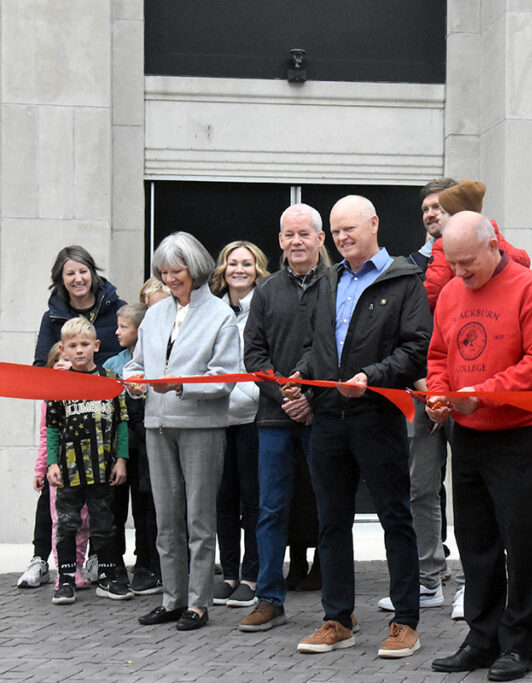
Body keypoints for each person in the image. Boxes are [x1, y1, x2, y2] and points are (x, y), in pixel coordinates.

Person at [287, 195, 430, 658]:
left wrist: (372, 378)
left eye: (352, 228)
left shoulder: (406, 280)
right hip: (328, 418)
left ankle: (405, 621)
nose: (344, 237)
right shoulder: (328, 280)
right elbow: (317, 346)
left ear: (374, 223)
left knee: (394, 516)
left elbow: (416, 349)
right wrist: (302, 376)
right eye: (337, 230)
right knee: (331, 521)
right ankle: (337, 617)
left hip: (377, 416)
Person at [427, 211, 532, 682]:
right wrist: (440, 393)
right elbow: (440, 353)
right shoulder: (449, 293)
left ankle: (519, 644)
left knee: (520, 541)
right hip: (466, 433)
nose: (460, 273)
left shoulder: (531, 289)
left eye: (467, 263)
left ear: (493, 246)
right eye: (453, 263)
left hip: (517, 431)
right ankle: (482, 638)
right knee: (475, 540)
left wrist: (484, 391)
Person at [125, 231, 240, 632]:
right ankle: (171, 599)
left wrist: (179, 385)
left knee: (199, 518)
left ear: (197, 270)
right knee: (166, 517)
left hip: (200, 425)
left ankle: (198, 603)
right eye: (164, 272)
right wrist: (134, 379)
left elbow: (225, 379)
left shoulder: (221, 315)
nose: (170, 279)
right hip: (156, 424)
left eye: (177, 271)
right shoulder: (155, 314)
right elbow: (135, 365)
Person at [240, 203, 331, 633]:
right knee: (271, 509)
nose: (296, 241)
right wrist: (286, 395)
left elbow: (336, 347)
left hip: (323, 415)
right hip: (274, 419)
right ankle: (269, 598)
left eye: (304, 234)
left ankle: (337, 603)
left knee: (331, 506)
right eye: (289, 235)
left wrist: (308, 395)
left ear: (320, 239)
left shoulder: (336, 285)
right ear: (280, 241)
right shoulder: (266, 291)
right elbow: (253, 354)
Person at [19, 246, 127, 588]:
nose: (78, 278)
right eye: (70, 273)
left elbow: (125, 350)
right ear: (61, 279)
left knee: (106, 497)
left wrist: (99, 375)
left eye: (82, 271)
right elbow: (40, 366)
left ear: (92, 273)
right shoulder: (52, 315)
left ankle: (103, 561)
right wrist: (60, 370)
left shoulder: (115, 308)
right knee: (56, 495)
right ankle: (44, 558)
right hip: (65, 412)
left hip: (105, 412)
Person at [377, 176, 458, 616]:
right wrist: (422, 379)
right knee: (421, 488)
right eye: (426, 207)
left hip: (463, 394)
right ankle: (430, 579)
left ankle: (473, 583)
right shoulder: (407, 266)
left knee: (468, 490)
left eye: (440, 206)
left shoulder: (485, 260)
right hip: (419, 391)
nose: (431, 213)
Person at [46, 317, 131, 605]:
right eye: (73, 346)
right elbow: (53, 428)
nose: (79, 350)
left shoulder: (109, 381)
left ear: (96, 345)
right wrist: (52, 463)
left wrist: (121, 459)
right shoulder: (59, 385)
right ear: (63, 349)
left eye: (85, 344)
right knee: (67, 523)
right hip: (69, 471)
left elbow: (121, 423)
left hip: (103, 469)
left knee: (104, 523)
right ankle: (66, 579)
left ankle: (108, 576)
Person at [210, 241, 269, 608]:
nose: (239, 270)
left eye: (247, 264)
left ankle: (252, 575)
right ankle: (229, 573)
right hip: (215, 416)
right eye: (233, 263)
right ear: (223, 269)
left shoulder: (264, 307)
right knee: (223, 500)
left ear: (258, 269)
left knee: (254, 501)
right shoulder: (211, 311)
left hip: (252, 416)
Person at [103, 302, 162, 595]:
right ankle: (113, 566)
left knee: (144, 505)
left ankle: (146, 563)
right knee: (115, 506)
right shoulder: (112, 367)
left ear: (140, 331)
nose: (117, 331)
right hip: (118, 445)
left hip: (146, 444)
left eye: (123, 326)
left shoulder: (154, 362)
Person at [422, 179, 531, 310]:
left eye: (440, 209)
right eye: (425, 209)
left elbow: (432, 290)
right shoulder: (495, 239)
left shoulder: (442, 246)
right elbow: (522, 261)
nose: (431, 215)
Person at [33, 344, 91, 590]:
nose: (64, 366)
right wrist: (40, 470)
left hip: (85, 467)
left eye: (68, 362)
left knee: (84, 520)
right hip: (59, 471)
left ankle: (78, 567)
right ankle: (63, 571)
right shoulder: (50, 399)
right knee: (61, 521)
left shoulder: (86, 394)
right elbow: (45, 436)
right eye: (58, 363)